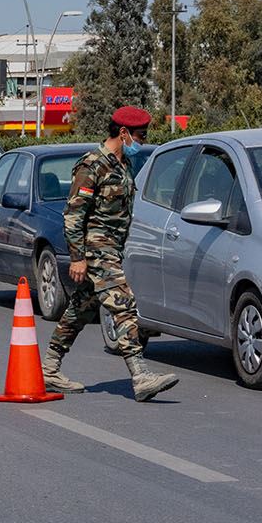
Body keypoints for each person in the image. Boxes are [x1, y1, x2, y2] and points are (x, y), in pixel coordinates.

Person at [43, 106, 179, 401]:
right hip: (96, 248)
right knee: (123, 303)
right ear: (123, 132)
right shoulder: (92, 165)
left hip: (113, 249)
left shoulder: (123, 164)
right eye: (140, 135)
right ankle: (140, 375)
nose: (142, 140)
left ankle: (49, 368)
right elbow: (73, 215)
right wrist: (77, 257)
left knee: (81, 309)